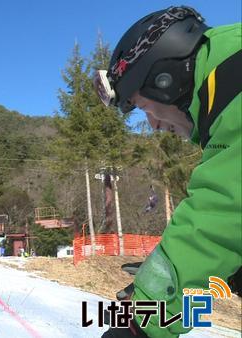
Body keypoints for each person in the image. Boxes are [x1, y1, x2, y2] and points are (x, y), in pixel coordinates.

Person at [94, 6, 240, 337]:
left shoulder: (235, 80)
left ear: (166, 81)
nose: (154, 125)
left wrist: (139, 320)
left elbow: (221, 212)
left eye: (145, 108)